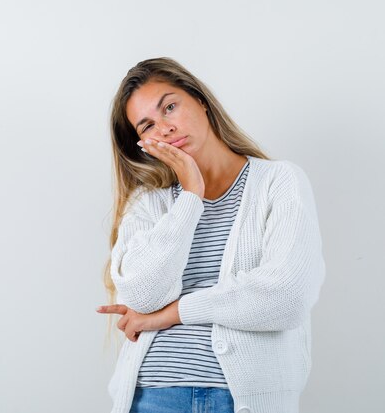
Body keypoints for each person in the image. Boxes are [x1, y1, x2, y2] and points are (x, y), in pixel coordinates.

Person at [95, 57, 326, 413]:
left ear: (200, 100)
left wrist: (172, 313)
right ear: (142, 142)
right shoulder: (149, 203)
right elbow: (141, 296)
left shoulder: (279, 182)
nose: (166, 128)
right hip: (151, 397)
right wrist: (190, 196)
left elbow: (287, 295)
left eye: (170, 107)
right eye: (148, 126)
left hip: (243, 400)